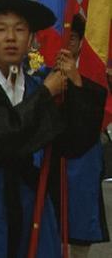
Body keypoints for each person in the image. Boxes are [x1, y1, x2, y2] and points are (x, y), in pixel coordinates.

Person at [0, 0, 107, 257]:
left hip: (32, 202)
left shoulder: (33, 87)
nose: (10, 37)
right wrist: (44, 95)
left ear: (30, 40)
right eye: (1, 29)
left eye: (19, 29)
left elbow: (73, 143)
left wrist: (77, 88)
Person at [32, 14, 109, 257]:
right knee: (44, 228)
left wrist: (75, 82)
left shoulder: (93, 82)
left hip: (81, 165)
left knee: (79, 229)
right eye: (59, 39)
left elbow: (91, 125)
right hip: (47, 161)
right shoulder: (37, 80)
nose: (65, 45)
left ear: (80, 41)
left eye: (72, 39)